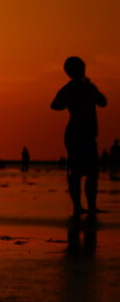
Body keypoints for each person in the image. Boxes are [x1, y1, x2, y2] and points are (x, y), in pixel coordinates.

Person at [51, 56, 107, 215]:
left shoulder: (82, 87)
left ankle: (84, 206)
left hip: (81, 133)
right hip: (78, 133)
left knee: (87, 172)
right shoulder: (79, 87)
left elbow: (103, 102)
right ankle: (82, 206)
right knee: (84, 172)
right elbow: (55, 105)